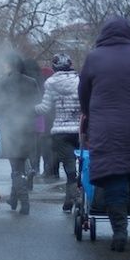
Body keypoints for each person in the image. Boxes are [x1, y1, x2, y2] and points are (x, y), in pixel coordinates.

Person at [78, 15, 130, 252]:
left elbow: (83, 93)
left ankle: (119, 232)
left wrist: (89, 114)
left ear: (103, 34)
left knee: (115, 177)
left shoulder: (94, 57)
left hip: (107, 126)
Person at [0, 51, 40, 215]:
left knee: (16, 169)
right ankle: (13, 199)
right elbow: (37, 106)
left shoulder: (3, 82)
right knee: (20, 165)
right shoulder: (31, 82)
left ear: (9, 65)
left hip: (11, 128)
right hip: (28, 128)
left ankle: (25, 204)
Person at [35, 53, 81, 212]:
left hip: (60, 132)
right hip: (80, 130)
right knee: (84, 165)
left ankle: (70, 201)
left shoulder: (51, 83)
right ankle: (82, 196)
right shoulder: (79, 80)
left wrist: (30, 110)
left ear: (54, 67)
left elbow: (44, 108)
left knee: (69, 169)